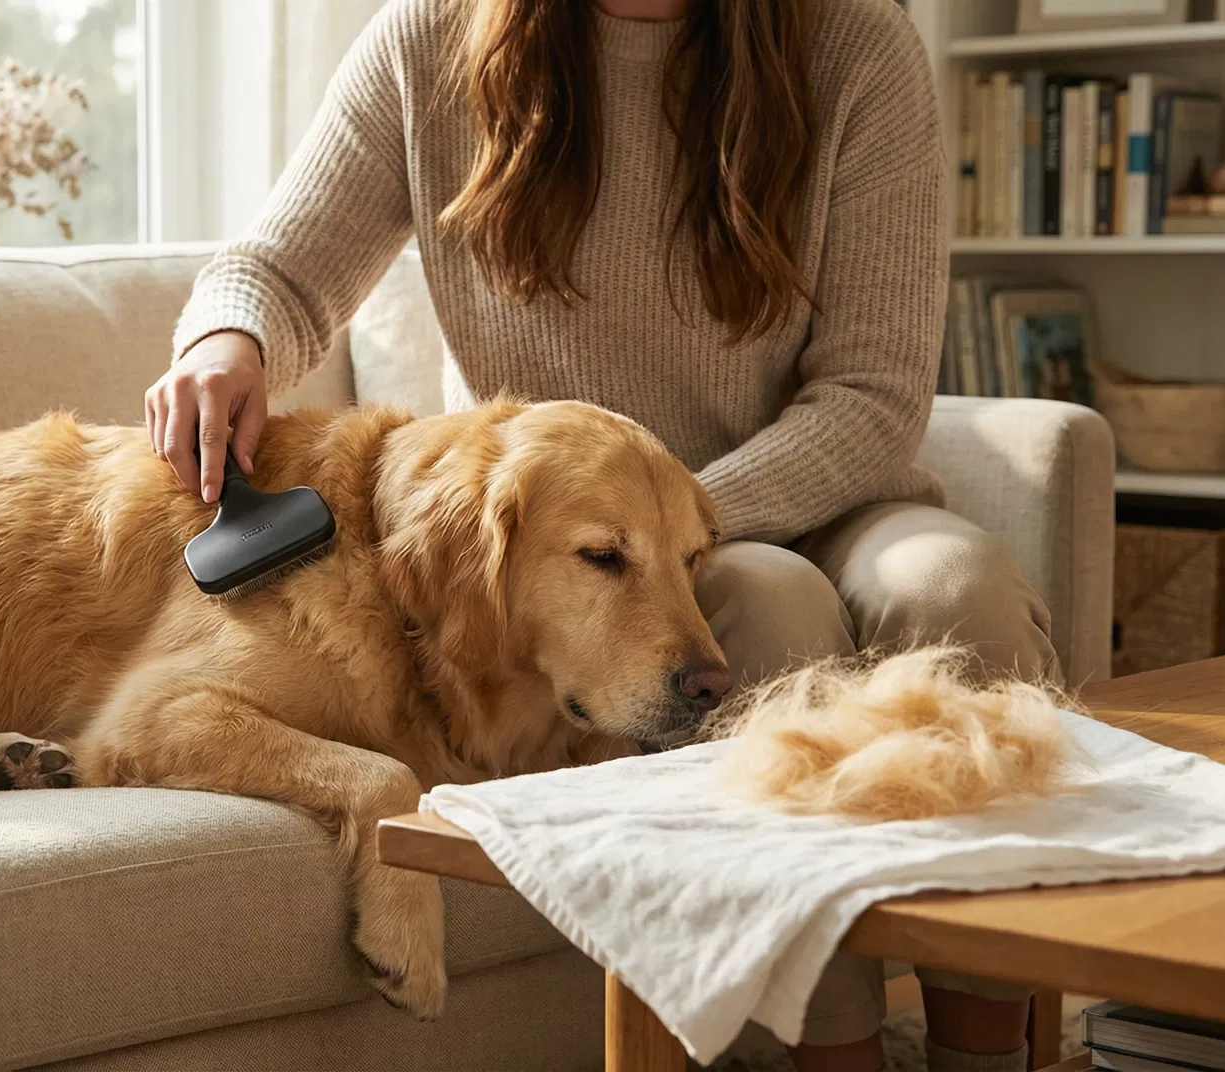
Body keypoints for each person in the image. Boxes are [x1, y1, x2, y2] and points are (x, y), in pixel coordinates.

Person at [144, 0, 1057, 1069]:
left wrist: (675, 523)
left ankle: (992, 1055)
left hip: (814, 490)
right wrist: (227, 335)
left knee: (958, 586)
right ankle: (837, 1053)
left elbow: (872, 395)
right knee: (766, 604)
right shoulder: (433, 39)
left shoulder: (856, 39)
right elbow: (281, 265)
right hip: (599, 540)